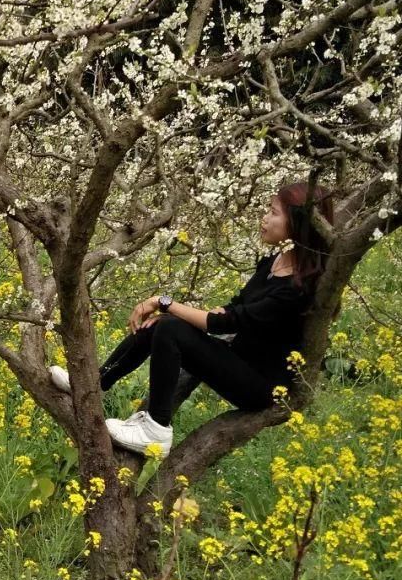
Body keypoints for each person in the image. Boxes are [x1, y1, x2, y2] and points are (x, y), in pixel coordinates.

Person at [49, 180, 333, 457]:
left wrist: (164, 303)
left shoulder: (298, 288)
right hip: (239, 358)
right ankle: (95, 383)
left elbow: (224, 323)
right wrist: (179, 314)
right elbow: (232, 309)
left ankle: (156, 430)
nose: (264, 218)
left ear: (298, 223)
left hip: (261, 385)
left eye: (273, 212)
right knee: (162, 324)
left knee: (170, 326)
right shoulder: (275, 262)